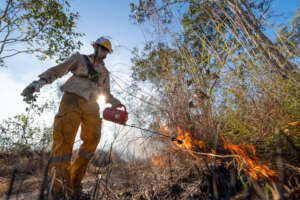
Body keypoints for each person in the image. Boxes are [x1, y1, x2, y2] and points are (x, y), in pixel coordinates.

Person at [21, 37, 123, 199]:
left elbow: (106, 93)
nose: (103, 52)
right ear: (95, 46)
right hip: (72, 100)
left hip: (92, 105)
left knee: (93, 139)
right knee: (63, 143)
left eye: (106, 51)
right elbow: (58, 70)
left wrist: (115, 103)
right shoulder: (79, 59)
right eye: (101, 48)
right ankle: (59, 190)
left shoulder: (104, 73)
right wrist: (39, 83)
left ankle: (74, 184)